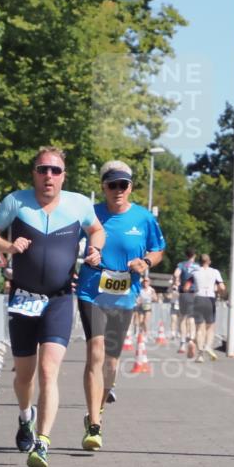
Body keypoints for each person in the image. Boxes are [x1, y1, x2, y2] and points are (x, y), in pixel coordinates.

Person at [0, 146, 105, 467]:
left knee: (50, 370)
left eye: (55, 171)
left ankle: (42, 442)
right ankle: (26, 417)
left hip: (60, 298)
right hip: (23, 297)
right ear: (34, 173)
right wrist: (8, 247)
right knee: (25, 376)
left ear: (64, 176)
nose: (49, 176)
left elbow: (97, 230)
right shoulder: (15, 202)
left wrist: (95, 250)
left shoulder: (79, 204)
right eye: (42, 170)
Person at [76, 160, 165, 451]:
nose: (117, 190)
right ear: (103, 186)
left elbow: (158, 250)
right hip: (92, 291)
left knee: (112, 363)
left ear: (131, 187)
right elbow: (70, 244)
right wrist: (83, 257)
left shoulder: (143, 218)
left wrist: (146, 262)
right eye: (112, 184)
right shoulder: (91, 215)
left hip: (125, 294)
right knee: (96, 352)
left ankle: (99, 406)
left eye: (123, 185)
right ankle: (94, 425)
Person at [189, 253, 225, 362]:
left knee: (199, 328)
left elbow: (186, 287)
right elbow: (222, 287)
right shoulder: (215, 272)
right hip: (210, 298)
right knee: (210, 326)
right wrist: (219, 292)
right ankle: (208, 346)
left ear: (199, 262)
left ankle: (200, 355)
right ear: (209, 261)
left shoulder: (194, 272)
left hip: (198, 298)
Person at [173, 249, 199, 355]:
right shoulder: (198, 266)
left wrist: (177, 281)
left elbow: (176, 274)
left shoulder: (182, 264)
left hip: (184, 293)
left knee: (183, 318)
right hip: (195, 293)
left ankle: (182, 342)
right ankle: (192, 339)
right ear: (195, 256)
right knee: (192, 318)